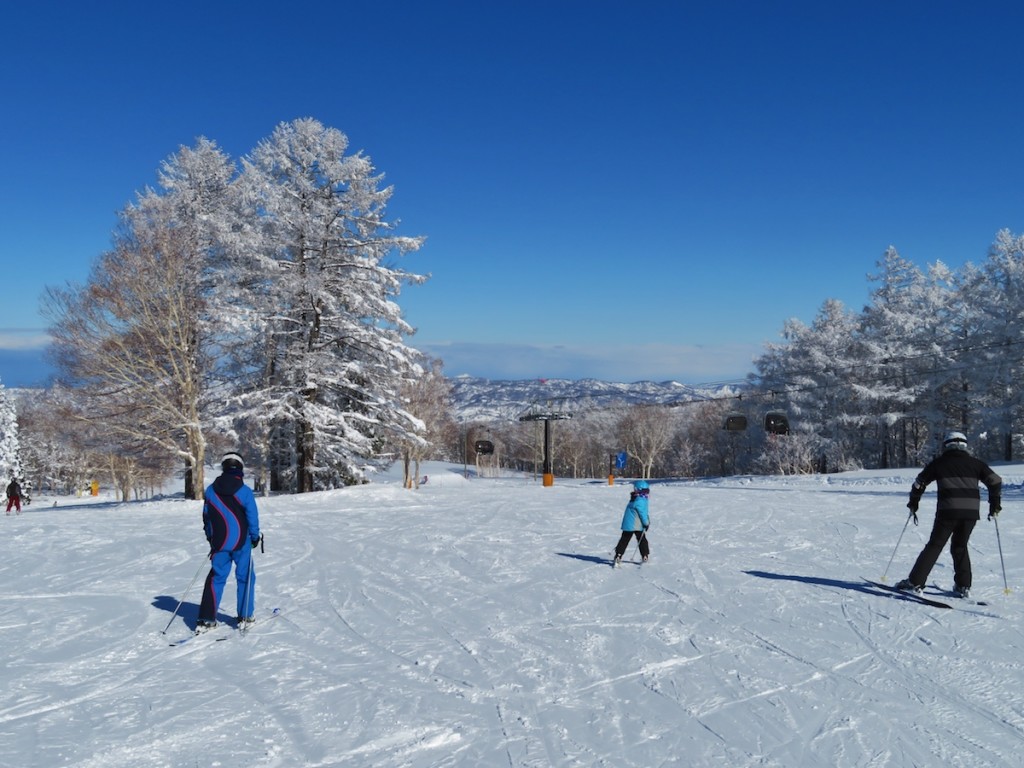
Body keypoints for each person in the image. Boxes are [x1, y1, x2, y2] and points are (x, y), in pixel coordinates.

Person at [896, 431, 1001, 599]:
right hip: (971, 513)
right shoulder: (976, 464)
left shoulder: (939, 463)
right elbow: (995, 481)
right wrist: (995, 504)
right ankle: (963, 586)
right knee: (960, 546)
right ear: (965, 445)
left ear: (946, 445)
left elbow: (919, 483)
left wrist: (914, 502)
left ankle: (915, 582)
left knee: (935, 545)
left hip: (948, 511)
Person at [197, 453, 261, 630]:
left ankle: (206, 619)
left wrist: (212, 539)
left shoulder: (211, 490)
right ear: (239, 468)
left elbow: (207, 518)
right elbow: (252, 518)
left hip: (220, 544)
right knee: (245, 577)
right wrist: (255, 537)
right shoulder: (244, 491)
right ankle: (245, 616)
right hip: (243, 542)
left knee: (216, 578)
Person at [613, 480, 650, 567]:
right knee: (642, 539)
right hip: (637, 524)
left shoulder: (634, 498)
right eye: (645, 491)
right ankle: (645, 555)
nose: (647, 494)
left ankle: (618, 554)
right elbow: (643, 514)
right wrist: (646, 523)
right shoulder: (641, 500)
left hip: (628, 524)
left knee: (624, 540)